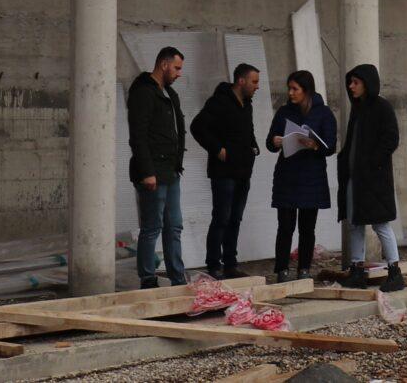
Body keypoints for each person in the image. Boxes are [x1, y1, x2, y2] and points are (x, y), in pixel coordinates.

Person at [189, 62, 261, 278]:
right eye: (254, 81)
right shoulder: (219, 102)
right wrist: (218, 149)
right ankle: (214, 264)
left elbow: (247, 129)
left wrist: (253, 146)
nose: (257, 86)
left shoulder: (247, 104)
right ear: (241, 81)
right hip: (223, 172)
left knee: (235, 218)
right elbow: (197, 127)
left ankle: (230, 263)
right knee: (221, 217)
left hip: (243, 170)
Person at [263, 69, 336, 282]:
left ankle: (304, 268)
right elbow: (269, 143)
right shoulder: (284, 112)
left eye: (295, 89)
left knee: (307, 227)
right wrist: (275, 141)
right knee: (285, 226)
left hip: (311, 177)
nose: (291, 93)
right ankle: (282, 269)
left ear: (307, 90)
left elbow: (330, 146)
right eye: (289, 88)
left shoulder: (323, 113)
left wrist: (314, 144)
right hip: (287, 175)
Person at [338, 63, 404, 291]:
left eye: (356, 82)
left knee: (380, 224)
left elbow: (391, 139)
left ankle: (395, 271)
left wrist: (371, 163)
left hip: (373, 179)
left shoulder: (381, 107)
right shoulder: (357, 109)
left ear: (367, 83)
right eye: (351, 82)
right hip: (355, 178)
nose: (351, 86)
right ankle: (357, 270)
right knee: (354, 223)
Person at [126, 46, 188, 288]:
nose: (179, 73)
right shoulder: (144, 92)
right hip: (153, 171)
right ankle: (148, 278)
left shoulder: (169, 95)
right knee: (152, 226)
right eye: (177, 68)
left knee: (174, 226)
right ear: (164, 64)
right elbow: (138, 136)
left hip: (171, 171)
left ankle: (177, 276)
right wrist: (147, 171)